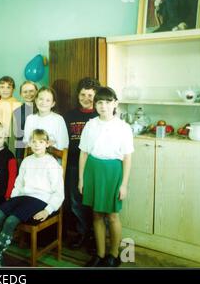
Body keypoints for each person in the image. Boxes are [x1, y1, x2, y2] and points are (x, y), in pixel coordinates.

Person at [0, 129, 64, 266]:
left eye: (41, 142)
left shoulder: (52, 164)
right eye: (34, 142)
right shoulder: (27, 161)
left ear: (47, 144)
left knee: (10, 221)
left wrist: (48, 210)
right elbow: (19, 183)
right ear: (30, 143)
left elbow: (59, 193)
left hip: (40, 200)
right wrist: (12, 200)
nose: (37, 145)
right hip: (22, 197)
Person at [78, 87, 133, 267]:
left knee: (112, 215)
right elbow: (84, 153)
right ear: (95, 105)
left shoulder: (123, 127)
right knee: (96, 214)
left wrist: (124, 184)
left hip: (113, 171)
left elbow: (127, 157)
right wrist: (81, 178)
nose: (103, 106)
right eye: (100, 102)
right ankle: (100, 254)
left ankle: (114, 254)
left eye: (108, 102)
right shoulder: (91, 124)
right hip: (93, 170)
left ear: (115, 103)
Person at [64, 77, 101, 251]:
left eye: (90, 95)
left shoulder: (100, 116)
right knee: (75, 202)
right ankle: (82, 233)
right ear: (78, 95)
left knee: (94, 202)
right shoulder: (69, 116)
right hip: (73, 164)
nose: (86, 98)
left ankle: (96, 236)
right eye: (83, 94)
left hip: (94, 166)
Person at [23, 87, 69, 152]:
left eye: (48, 100)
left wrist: (49, 146)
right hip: (33, 157)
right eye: (41, 99)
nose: (43, 102)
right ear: (36, 100)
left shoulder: (58, 119)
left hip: (53, 157)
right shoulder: (30, 118)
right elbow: (27, 142)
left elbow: (63, 145)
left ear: (53, 104)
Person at [12, 81, 38, 166]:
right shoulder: (17, 112)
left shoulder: (42, 109)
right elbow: (17, 136)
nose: (28, 94)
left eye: (31, 91)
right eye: (25, 92)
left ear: (37, 91)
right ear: (21, 94)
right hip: (22, 150)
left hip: (40, 149)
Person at [0, 76, 22, 144]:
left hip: (15, 140)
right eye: (2, 87)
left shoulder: (19, 105)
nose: (5, 90)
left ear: (13, 89)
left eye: (8, 87)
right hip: (0, 140)